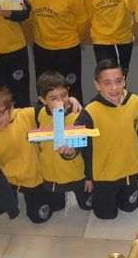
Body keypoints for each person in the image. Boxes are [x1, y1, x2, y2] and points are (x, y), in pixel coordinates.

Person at [0, 86, 61, 223]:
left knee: (40, 216)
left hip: (36, 179)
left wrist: (70, 102)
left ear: (10, 109)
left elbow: (50, 109)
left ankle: (53, 196)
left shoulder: (25, 115)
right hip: (10, 180)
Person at [75, 59, 138, 219]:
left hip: (130, 172)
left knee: (130, 208)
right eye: (107, 83)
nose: (114, 88)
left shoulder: (135, 101)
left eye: (118, 81)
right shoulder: (90, 111)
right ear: (97, 85)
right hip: (104, 176)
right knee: (106, 216)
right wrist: (69, 150)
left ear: (124, 80)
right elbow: (77, 142)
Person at [27, 0, 87, 102]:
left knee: (71, 89)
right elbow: (32, 19)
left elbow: (82, 20)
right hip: (42, 49)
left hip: (67, 50)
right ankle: (47, 116)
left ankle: (75, 116)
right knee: (45, 90)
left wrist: (76, 39)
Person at [35, 71, 92, 212]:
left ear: (68, 92)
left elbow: (88, 149)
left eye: (64, 95)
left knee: (87, 206)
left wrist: (89, 177)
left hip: (77, 175)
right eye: (53, 98)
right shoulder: (40, 113)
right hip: (51, 175)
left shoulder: (78, 115)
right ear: (43, 100)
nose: (60, 101)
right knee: (57, 207)